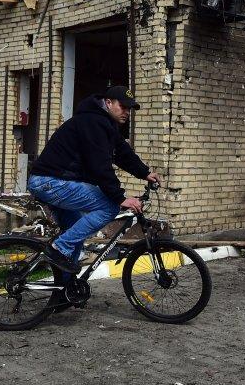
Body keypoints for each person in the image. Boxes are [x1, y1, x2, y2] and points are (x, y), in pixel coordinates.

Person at [27, 85, 162, 271]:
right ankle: (58, 247)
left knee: (75, 232)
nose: (127, 112)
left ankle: (66, 285)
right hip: (50, 182)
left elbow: (122, 152)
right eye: (123, 106)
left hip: (52, 182)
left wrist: (144, 173)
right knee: (109, 207)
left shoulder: (105, 124)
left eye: (129, 109)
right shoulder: (92, 122)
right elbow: (99, 165)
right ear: (108, 103)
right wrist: (120, 198)